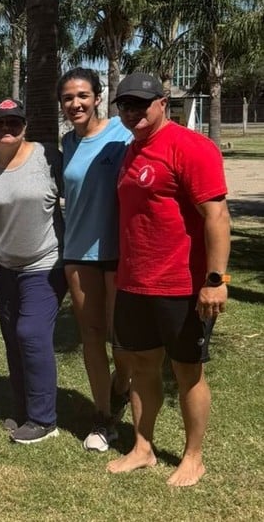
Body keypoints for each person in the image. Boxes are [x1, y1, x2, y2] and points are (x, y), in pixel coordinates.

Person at [106, 73, 230, 487]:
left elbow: (217, 216)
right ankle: (143, 447)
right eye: (125, 105)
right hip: (135, 281)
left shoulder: (191, 147)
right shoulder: (133, 149)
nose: (133, 112)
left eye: (141, 104)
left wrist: (215, 279)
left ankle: (193, 457)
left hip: (180, 285)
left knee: (186, 371)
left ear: (163, 102)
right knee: (142, 367)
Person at [0, 98, 66, 444]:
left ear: (24, 127)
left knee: (31, 332)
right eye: (0, 124)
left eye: (15, 123)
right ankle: (23, 406)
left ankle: (44, 419)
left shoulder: (47, 157)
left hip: (45, 263)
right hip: (5, 266)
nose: (7, 129)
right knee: (13, 337)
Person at [58, 68, 133, 452]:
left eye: (83, 96)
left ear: (98, 97)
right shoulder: (67, 143)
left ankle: (122, 386)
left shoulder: (124, 133)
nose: (76, 104)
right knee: (91, 337)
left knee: (122, 340)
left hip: (120, 252)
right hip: (78, 251)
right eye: (69, 98)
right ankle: (103, 417)